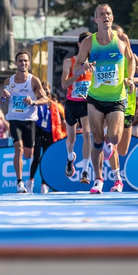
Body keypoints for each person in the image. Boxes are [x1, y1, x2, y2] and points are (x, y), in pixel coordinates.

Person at [73, 4, 137, 194]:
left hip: (117, 97)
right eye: (101, 14)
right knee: (97, 139)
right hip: (95, 98)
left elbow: (131, 59)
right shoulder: (88, 43)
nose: (105, 16)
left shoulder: (122, 38)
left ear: (112, 17)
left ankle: (111, 156)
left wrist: (130, 78)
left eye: (108, 13)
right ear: (96, 20)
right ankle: (98, 179)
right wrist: (83, 68)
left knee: (115, 137)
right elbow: (76, 67)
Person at [107, 24, 138, 192]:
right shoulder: (107, 55)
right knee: (112, 142)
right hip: (111, 102)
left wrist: (132, 80)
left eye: (122, 37)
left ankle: (108, 146)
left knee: (123, 150)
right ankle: (117, 179)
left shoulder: (132, 57)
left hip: (128, 105)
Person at [0, 51, 48, 193]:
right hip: (14, 119)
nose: (23, 63)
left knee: (28, 154)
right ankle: (19, 182)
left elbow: (45, 99)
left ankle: (25, 180)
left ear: (29, 63)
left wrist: (33, 102)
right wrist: (3, 97)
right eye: (21, 61)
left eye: (26, 61)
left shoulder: (34, 81)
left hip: (29, 121)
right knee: (18, 148)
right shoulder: (9, 81)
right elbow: (2, 103)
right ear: (16, 63)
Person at [61, 31, 93, 183]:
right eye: (85, 42)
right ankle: (70, 157)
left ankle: (85, 171)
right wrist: (78, 73)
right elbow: (64, 84)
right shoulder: (69, 62)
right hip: (72, 103)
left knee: (87, 134)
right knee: (71, 140)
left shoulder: (94, 63)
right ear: (80, 44)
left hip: (86, 103)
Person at [28, 82, 66, 193]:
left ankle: (44, 184)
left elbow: (61, 120)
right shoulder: (35, 102)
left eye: (47, 89)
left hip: (50, 133)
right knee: (36, 157)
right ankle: (30, 180)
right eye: (43, 89)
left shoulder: (53, 104)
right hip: (38, 132)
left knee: (46, 159)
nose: (45, 91)